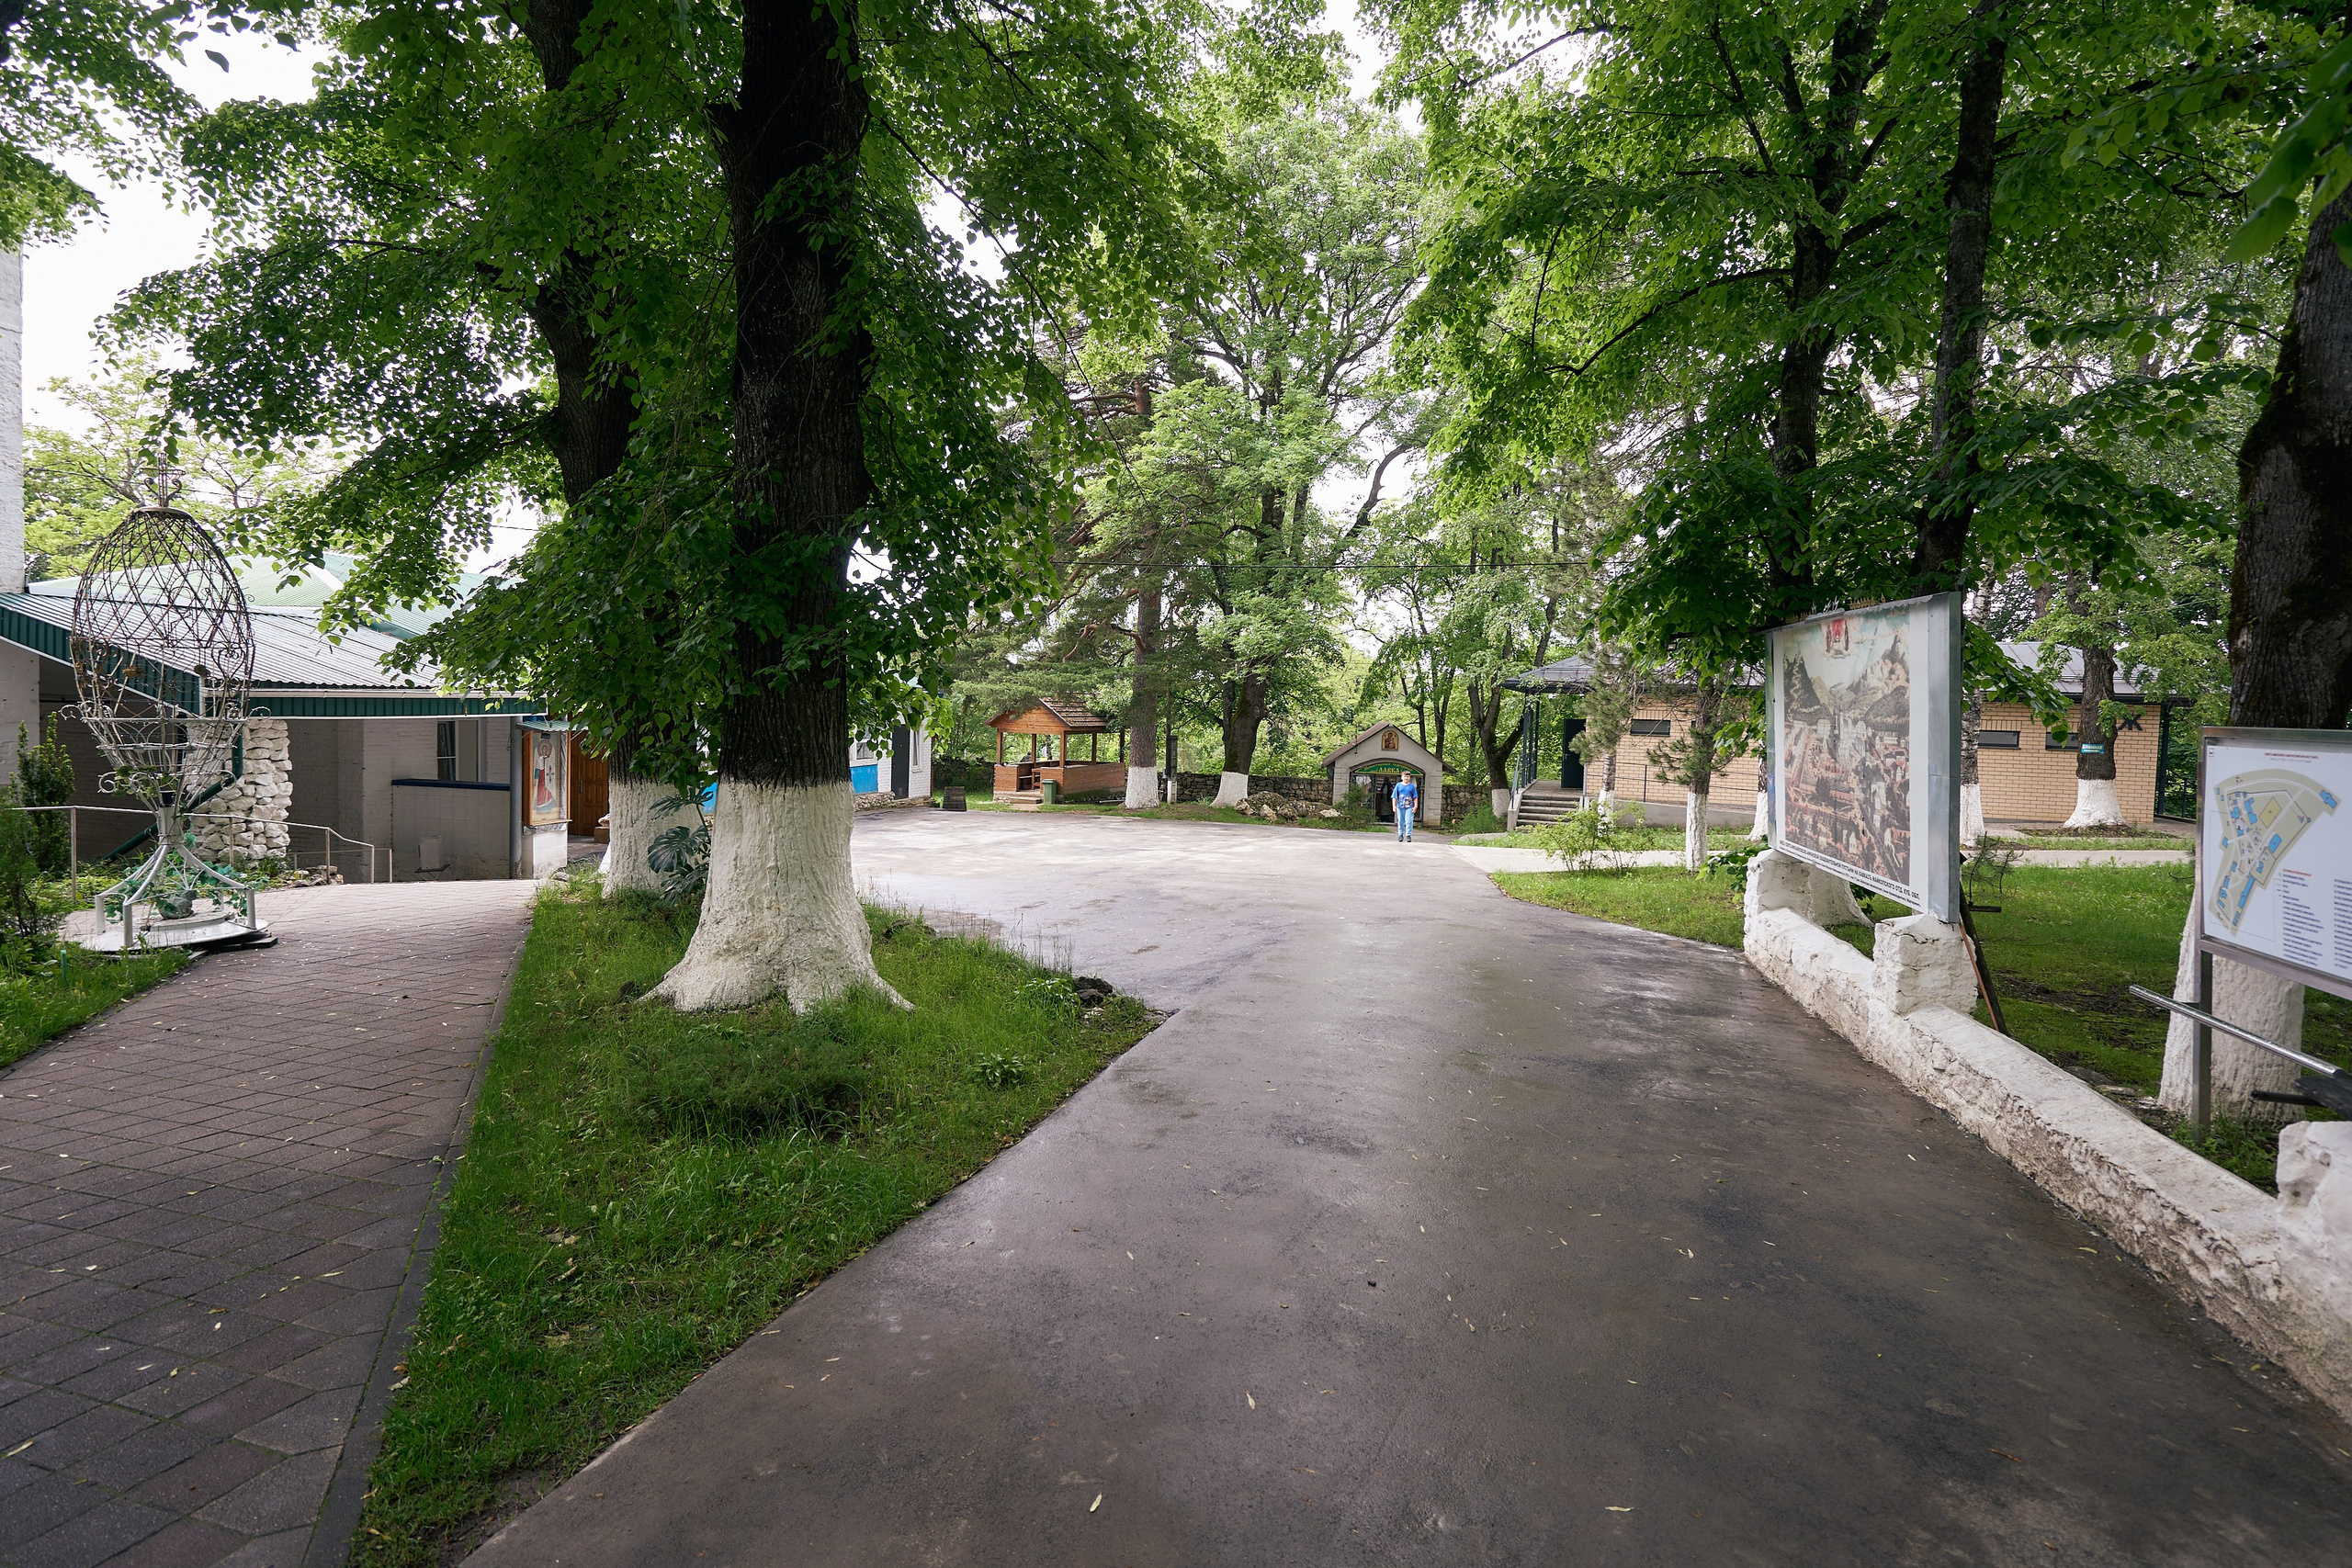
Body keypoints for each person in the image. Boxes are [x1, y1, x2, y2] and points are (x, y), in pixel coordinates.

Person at [1392, 772, 1419, 842]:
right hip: (1400, 806)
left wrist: (1415, 806)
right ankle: (1400, 835)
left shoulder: (1412, 786)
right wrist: (1394, 806)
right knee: (1400, 821)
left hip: (1409, 806)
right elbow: (1394, 797)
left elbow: (1415, 797)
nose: (1406, 778)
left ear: (1410, 778)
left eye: (1407, 776)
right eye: (1404, 776)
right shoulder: (1398, 785)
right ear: (1402, 777)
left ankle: (1408, 835)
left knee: (1409, 821)